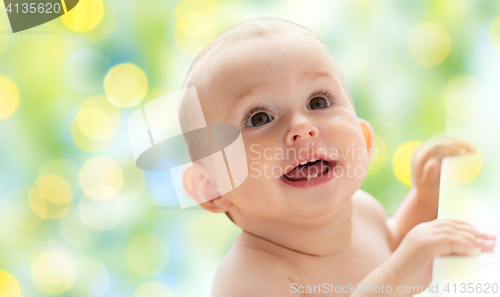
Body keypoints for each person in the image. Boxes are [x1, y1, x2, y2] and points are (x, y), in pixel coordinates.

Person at [179, 17, 496, 296]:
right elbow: (400, 270)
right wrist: (398, 275)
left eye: (318, 102)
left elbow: (397, 247)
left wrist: (427, 198)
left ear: (364, 138)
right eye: (258, 119)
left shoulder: (363, 209)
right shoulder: (250, 277)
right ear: (212, 186)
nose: (302, 127)